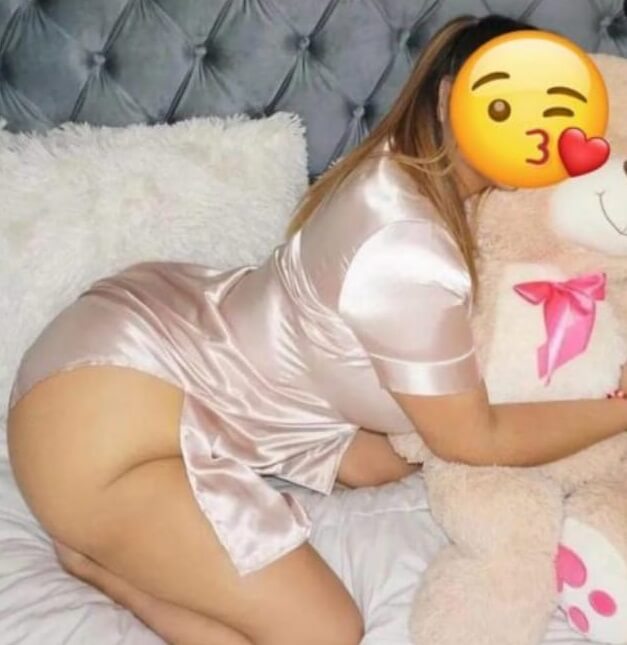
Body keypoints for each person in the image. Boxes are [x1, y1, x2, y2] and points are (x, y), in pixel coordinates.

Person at [6, 14, 627, 645]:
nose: (538, 130)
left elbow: (411, 433)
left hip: (146, 351)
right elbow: (472, 436)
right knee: (321, 632)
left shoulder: (401, 171)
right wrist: (616, 409)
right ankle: (99, 569)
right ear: (447, 99)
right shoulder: (412, 246)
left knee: (386, 465)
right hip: (94, 436)